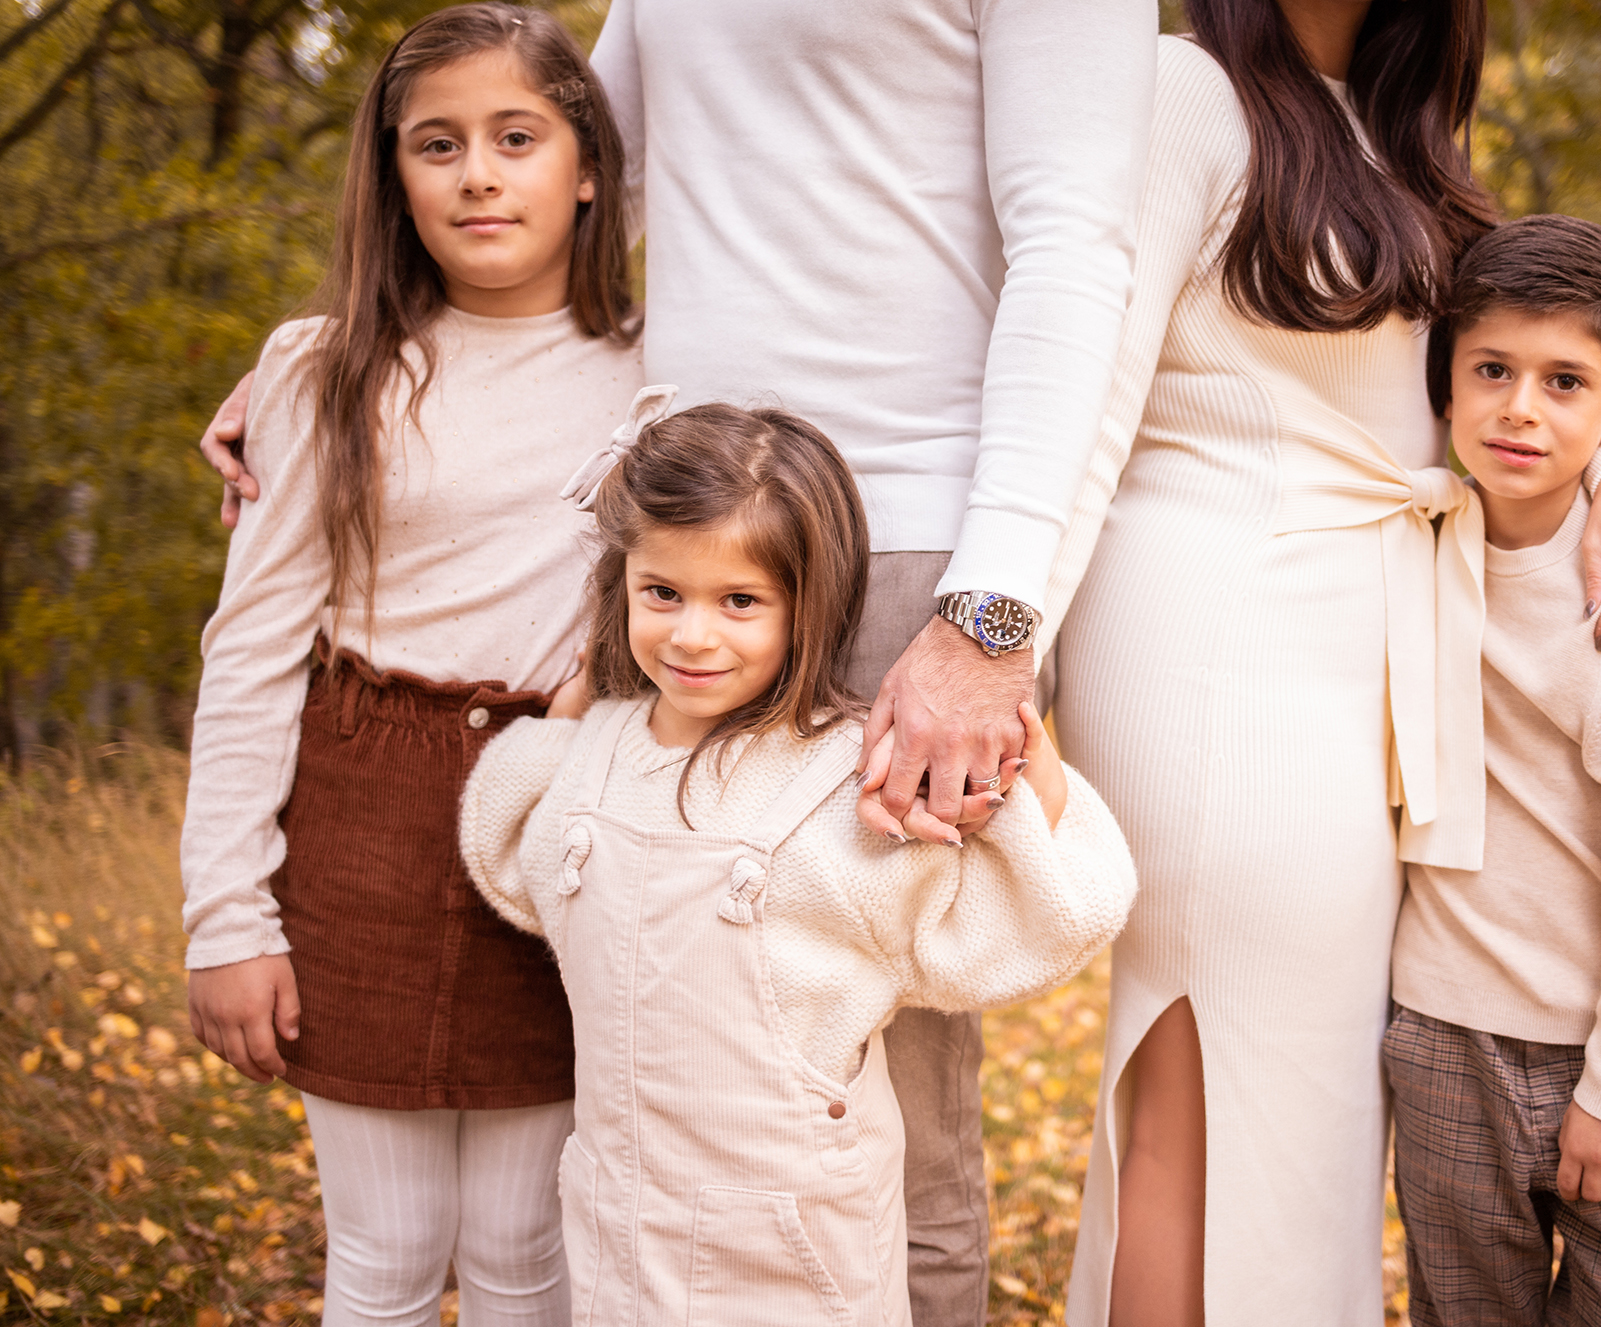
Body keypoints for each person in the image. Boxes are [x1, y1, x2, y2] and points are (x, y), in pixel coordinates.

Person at [197, 5, 1158, 1316]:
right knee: (654, 1063)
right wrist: (335, 367)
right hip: (673, 526)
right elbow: (577, 173)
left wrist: (994, 616)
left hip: (900, 546)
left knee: (880, 1108)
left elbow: (1077, 251)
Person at [1035, 2, 1601, 1323]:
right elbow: (1088, 384)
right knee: (1216, 1078)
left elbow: (1506, 384)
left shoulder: (1413, 139)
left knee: (1313, 1111)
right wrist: (1002, 639)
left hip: (1368, 663)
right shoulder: (1185, 92)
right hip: (1221, 639)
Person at [457, 399, 1137, 1325]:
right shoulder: (597, 758)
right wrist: (580, 698)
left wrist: (1017, 737)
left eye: (740, 601)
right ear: (622, 586)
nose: (694, 635)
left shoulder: (846, 786)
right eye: (663, 593)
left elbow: (1025, 918)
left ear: (806, 605)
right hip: (622, 1233)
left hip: (795, 1257)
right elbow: (510, 843)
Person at [176, 7, 642, 1322]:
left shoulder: (667, 374)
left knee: (519, 1239)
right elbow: (253, 647)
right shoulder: (328, 370)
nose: (479, 173)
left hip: (557, 822)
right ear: (392, 175)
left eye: (517, 137)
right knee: (385, 1245)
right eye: (436, 144)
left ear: (588, 163)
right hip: (362, 813)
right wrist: (227, 913)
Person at [1387, 214, 1601, 1327]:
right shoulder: (1407, 533)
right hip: (1440, 1038)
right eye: (1490, 369)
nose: (1520, 408)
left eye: (1564, 382)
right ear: (1442, 381)